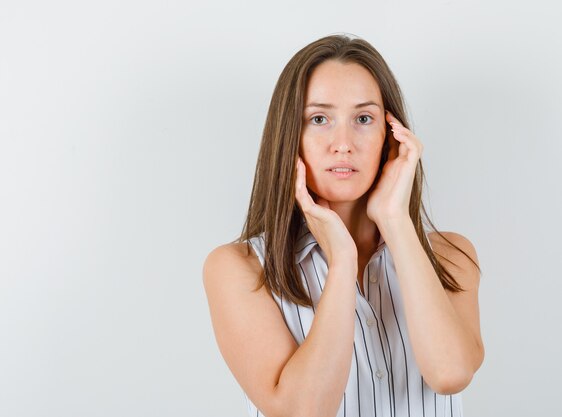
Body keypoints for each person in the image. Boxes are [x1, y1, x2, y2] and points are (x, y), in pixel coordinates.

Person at [202, 34, 484, 417]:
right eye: (319, 119)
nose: (343, 143)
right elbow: (303, 410)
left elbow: (450, 373)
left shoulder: (452, 255)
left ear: (392, 135)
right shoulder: (240, 268)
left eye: (364, 119)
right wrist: (342, 261)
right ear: (290, 137)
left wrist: (395, 220)